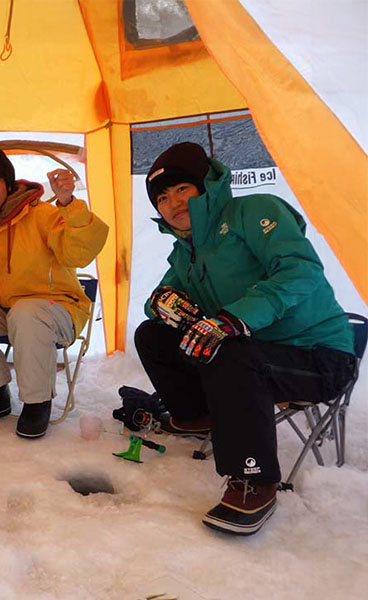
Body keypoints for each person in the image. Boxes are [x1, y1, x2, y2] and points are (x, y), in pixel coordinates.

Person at [135, 141, 356, 536]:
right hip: (252, 354)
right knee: (153, 335)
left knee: (231, 353)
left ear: (205, 187)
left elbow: (300, 271)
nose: (172, 203)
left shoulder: (254, 212)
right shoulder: (185, 252)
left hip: (316, 354)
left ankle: (254, 481)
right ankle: (198, 415)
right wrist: (163, 303)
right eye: (162, 198)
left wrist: (233, 320)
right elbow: (159, 301)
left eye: (182, 189)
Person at [0, 145, 108, 438]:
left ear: (7, 184)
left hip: (57, 310)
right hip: (5, 311)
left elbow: (79, 254)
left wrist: (69, 203)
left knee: (26, 311)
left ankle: (37, 401)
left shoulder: (42, 215)